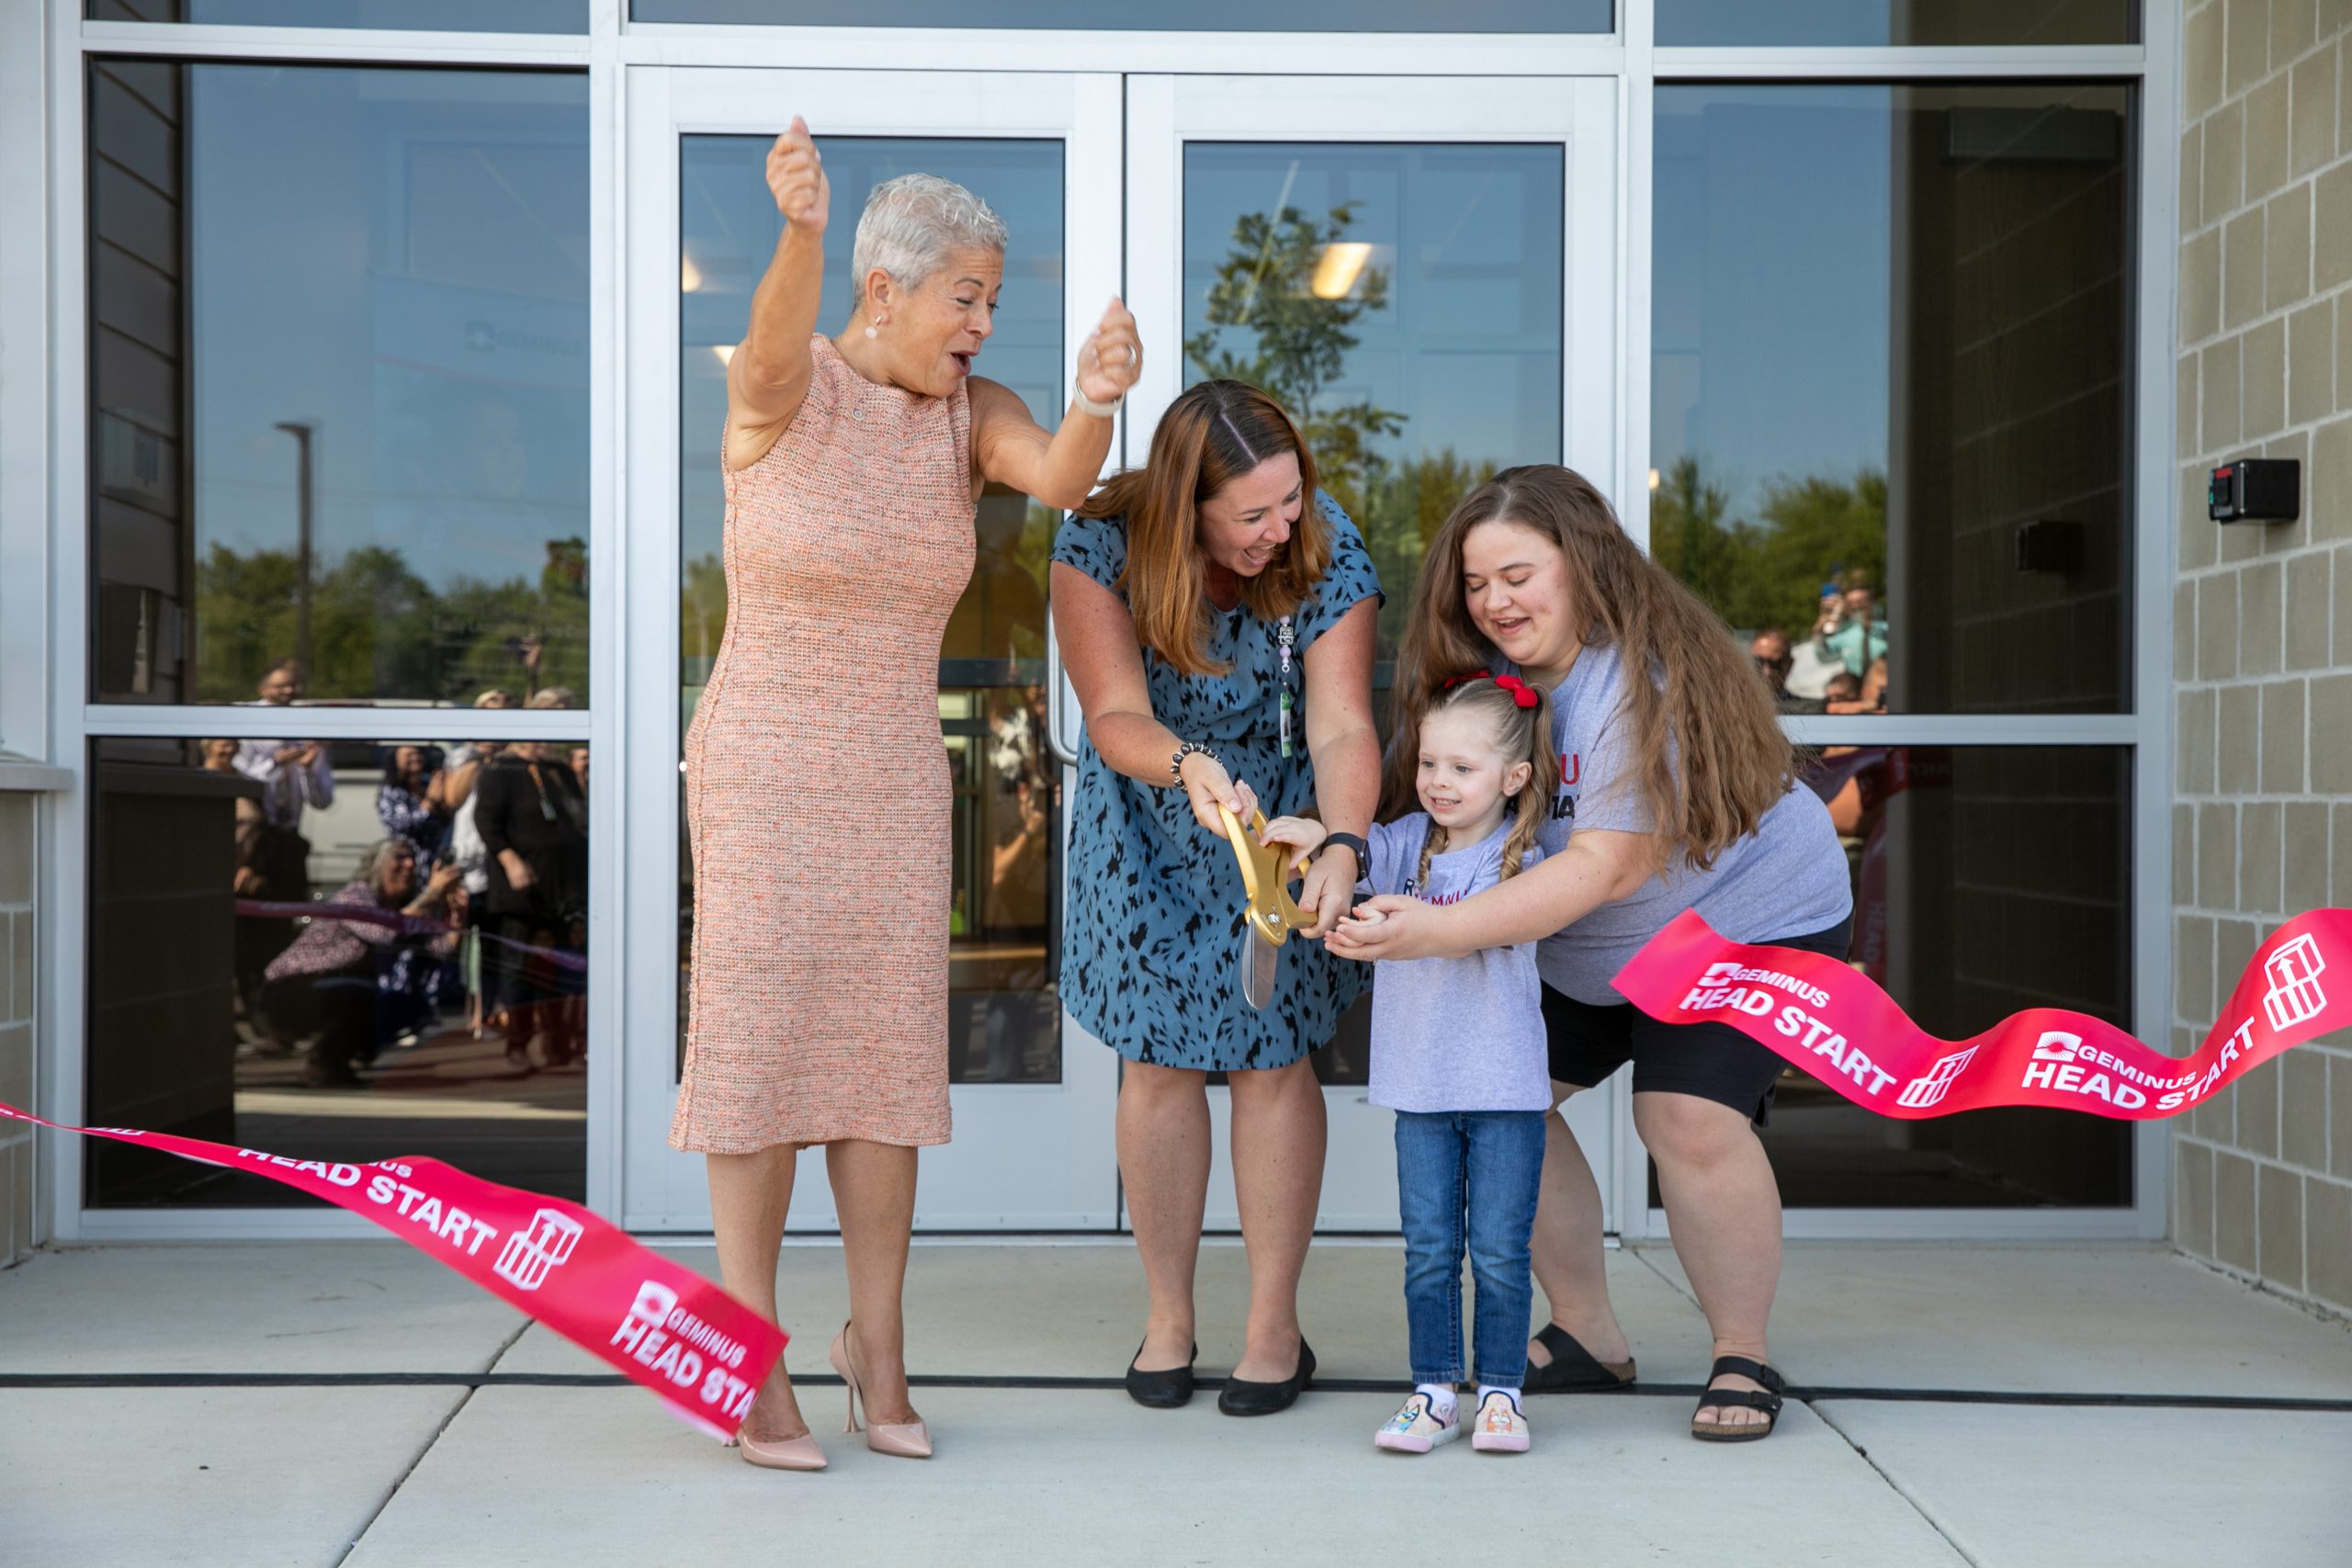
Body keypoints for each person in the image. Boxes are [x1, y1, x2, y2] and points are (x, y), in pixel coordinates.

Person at [671, 121, 1142, 1472]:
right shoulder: (788, 388)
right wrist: (803, 234)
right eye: (968, 296)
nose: (984, 322)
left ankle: (878, 1344)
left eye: (994, 298)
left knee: (882, 1061)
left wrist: (1100, 394)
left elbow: (1058, 477)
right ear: (886, 289)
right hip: (764, 758)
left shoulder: (966, 417)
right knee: (760, 1049)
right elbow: (768, 346)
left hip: (890, 769)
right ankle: (747, 1351)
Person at [1327, 466, 1852, 1443]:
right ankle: (1588, 1334)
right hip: (1587, 944)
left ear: (1584, 565)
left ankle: (1742, 1350)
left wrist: (1434, 931)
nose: (1495, 602)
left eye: (1518, 574)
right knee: (1499, 1096)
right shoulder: (1492, 692)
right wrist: (1337, 854)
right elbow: (1438, 820)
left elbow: (1605, 868)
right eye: (1477, 584)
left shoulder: (1633, 686)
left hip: (1740, 920)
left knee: (1684, 1114)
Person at [1052, 378, 1381, 1417]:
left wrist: (1342, 840)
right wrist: (1189, 763)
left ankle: (1271, 1326)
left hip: (1279, 825)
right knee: (1155, 1066)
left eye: (1292, 502)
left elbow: (1339, 725)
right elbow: (1111, 712)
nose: (1282, 530)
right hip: (1152, 816)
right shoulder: (1098, 542)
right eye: (1253, 514)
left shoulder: (1323, 544)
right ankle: (1168, 1317)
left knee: (1272, 1064)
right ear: (1185, 504)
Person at [1261, 673, 1559, 1456]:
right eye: (1430, 764)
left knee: (1499, 1251)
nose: (1439, 782)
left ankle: (1500, 1393)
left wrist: (1420, 918)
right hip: (1420, 1089)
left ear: (1514, 777)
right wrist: (1311, 838)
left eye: (1463, 768)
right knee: (1429, 1249)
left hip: (1504, 1090)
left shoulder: (1526, 857)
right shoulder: (1400, 845)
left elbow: (1481, 929)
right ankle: (1433, 1391)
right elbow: (1343, 859)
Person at [261, 839, 462, 1087]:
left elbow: (441, 949)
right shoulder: (356, 895)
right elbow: (383, 932)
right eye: (399, 858)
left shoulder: (402, 908)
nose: (409, 864)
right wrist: (430, 895)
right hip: (289, 988)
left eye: (411, 858)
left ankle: (346, 1057)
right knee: (356, 993)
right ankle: (324, 1063)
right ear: (377, 865)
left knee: (405, 1004)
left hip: (337, 986)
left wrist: (456, 915)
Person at [472, 739, 588, 1074]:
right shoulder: (501, 771)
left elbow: (578, 817)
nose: (547, 742)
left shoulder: (558, 771)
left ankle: (559, 1042)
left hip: (564, 885)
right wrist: (511, 861)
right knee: (519, 967)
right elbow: (487, 821)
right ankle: (518, 1044)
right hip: (522, 887)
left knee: (563, 966)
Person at [376, 746, 451, 873]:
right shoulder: (391, 791)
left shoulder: (428, 784)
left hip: (436, 864)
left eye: (418, 753)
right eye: (409, 755)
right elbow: (400, 826)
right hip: (410, 867)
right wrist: (430, 802)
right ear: (395, 759)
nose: (415, 757)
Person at [1748, 628, 1825, 716]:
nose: (1767, 671)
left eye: (1775, 664)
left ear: (1790, 663)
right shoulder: (1736, 701)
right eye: (1759, 661)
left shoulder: (1807, 708)